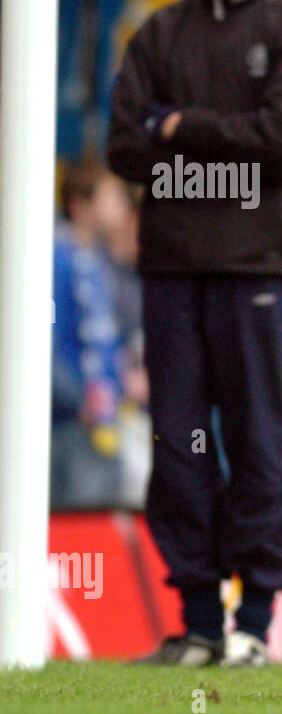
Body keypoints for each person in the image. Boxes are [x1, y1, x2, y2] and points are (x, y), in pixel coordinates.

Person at [106, 0, 282, 667]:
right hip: (172, 268)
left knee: (258, 440)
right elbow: (123, 148)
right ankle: (200, 620)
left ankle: (256, 624)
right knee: (178, 445)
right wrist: (207, 140)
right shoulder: (160, 32)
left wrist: (179, 127)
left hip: (257, 265)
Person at [51, 166, 125, 510]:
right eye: (111, 197)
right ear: (80, 204)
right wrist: (78, 399)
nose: (121, 206)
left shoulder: (98, 261)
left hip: (104, 420)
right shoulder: (55, 260)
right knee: (76, 524)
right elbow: (46, 347)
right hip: (68, 424)